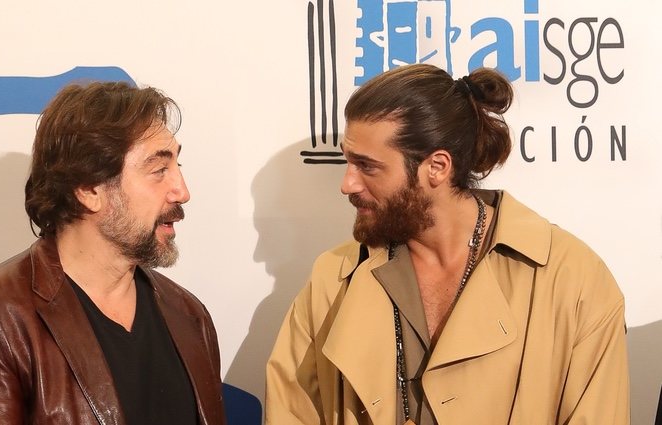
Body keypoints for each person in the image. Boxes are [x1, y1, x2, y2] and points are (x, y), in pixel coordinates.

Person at [265, 64, 629, 424]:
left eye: (367, 166)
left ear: (437, 167)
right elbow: (291, 410)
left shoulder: (574, 281)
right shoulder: (332, 281)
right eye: (348, 162)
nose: (347, 184)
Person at [0, 82, 226, 424]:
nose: (182, 191)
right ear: (88, 189)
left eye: (177, 166)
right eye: (159, 170)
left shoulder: (188, 315)